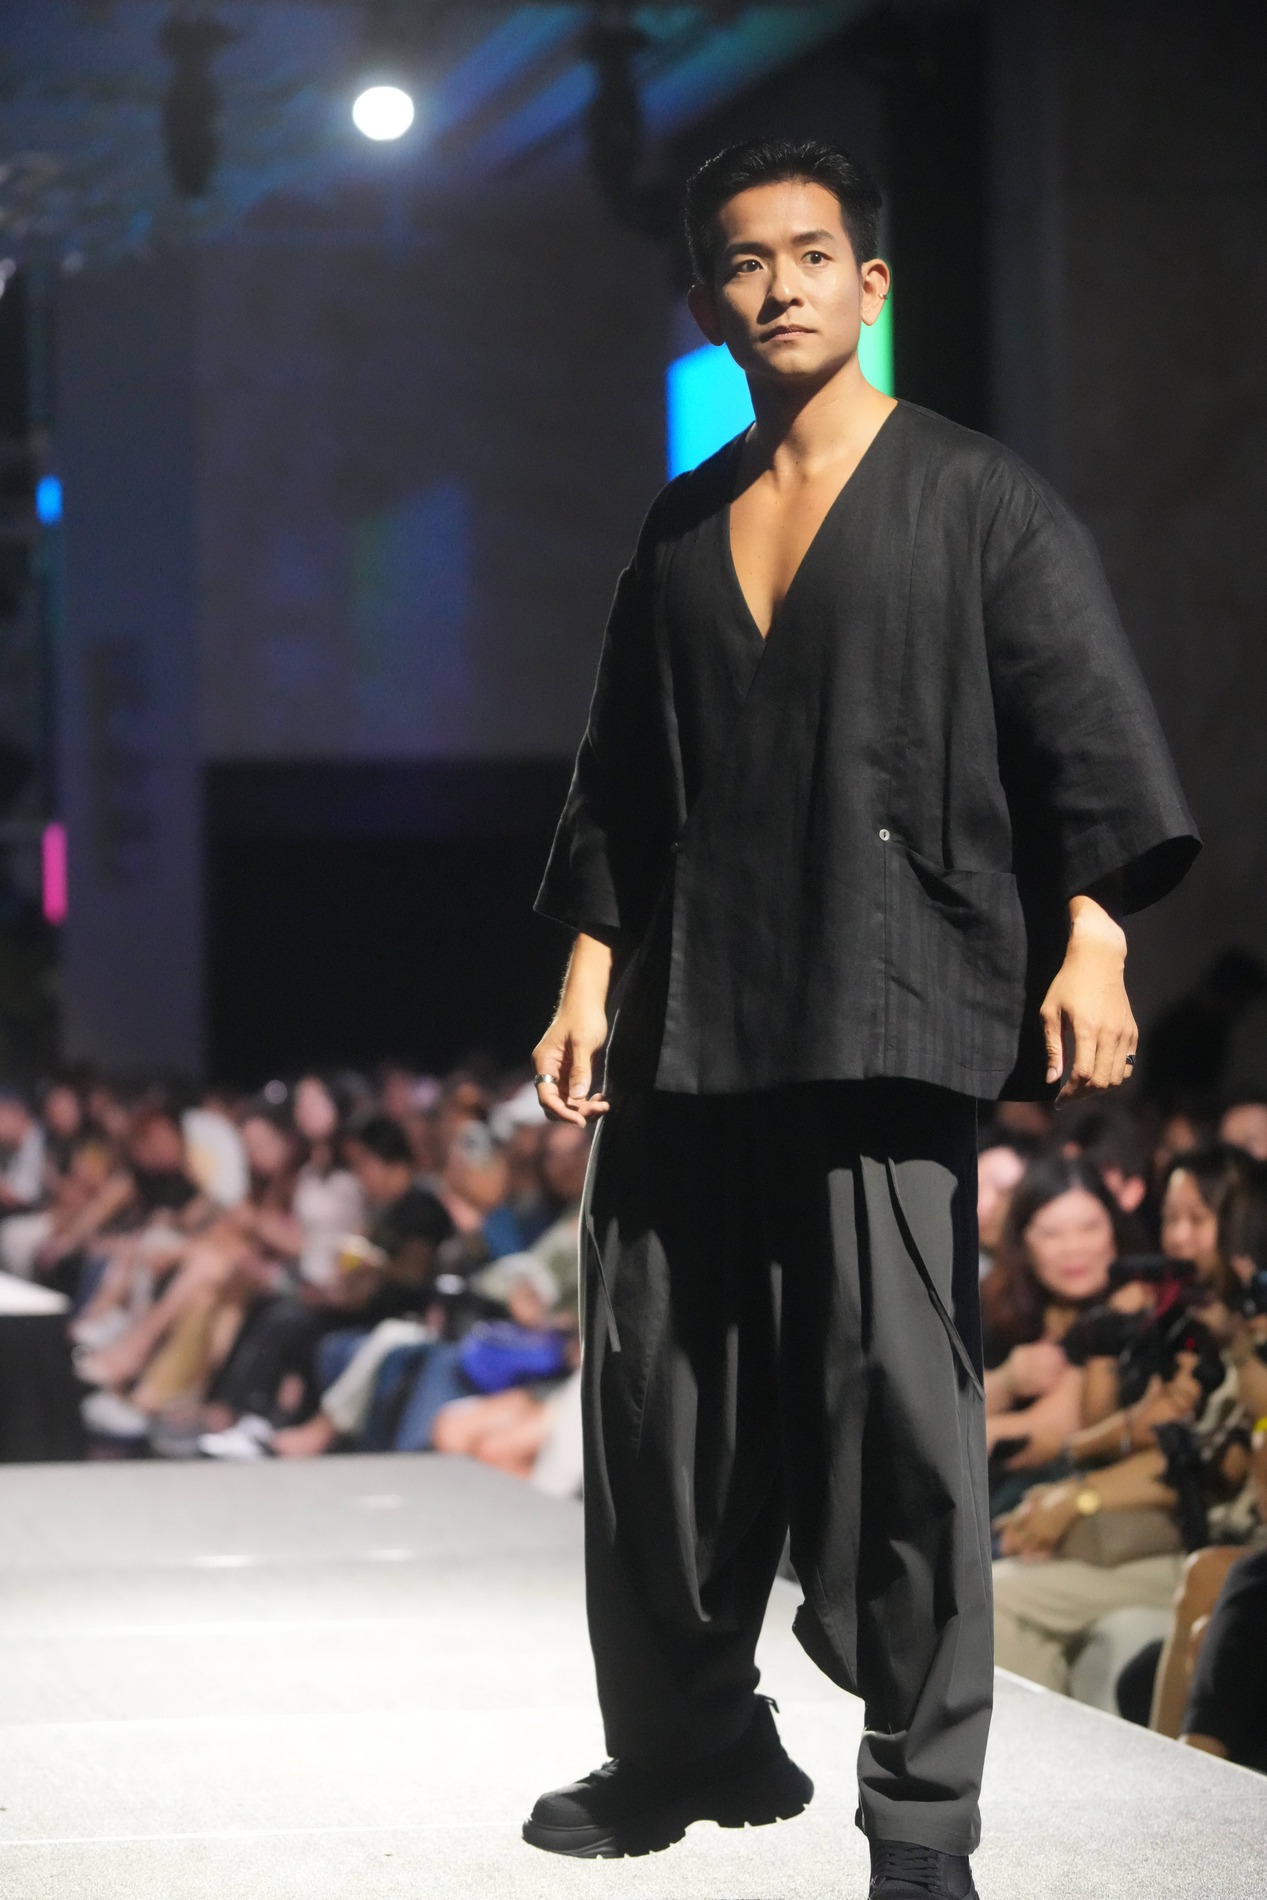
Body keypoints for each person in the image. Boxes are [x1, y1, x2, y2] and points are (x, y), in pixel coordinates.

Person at [522, 137, 1199, 1898]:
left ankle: (919, 1822)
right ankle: (686, 1751)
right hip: (684, 1028)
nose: (783, 286)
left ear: (871, 284)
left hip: (886, 1012)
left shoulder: (981, 501)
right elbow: (619, 781)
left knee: (900, 1424)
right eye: (746, 263)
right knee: (654, 1427)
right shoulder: (678, 529)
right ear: (708, 302)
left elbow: (1089, 752)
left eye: (815, 253)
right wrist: (589, 973)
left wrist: (1098, 941)